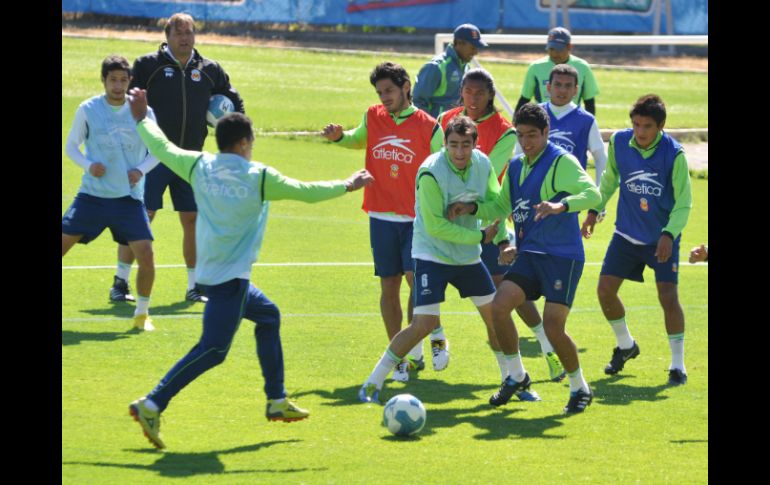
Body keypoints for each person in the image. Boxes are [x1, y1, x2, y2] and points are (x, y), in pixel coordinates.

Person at [126, 87, 373, 449]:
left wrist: (142, 117)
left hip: (212, 274)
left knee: (269, 316)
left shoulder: (199, 165)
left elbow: (162, 147)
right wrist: (348, 185)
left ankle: (276, 400)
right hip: (230, 281)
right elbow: (304, 190)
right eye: (251, 141)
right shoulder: (258, 176)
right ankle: (152, 402)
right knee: (213, 350)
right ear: (243, 143)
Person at [359, 116, 541, 404]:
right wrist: (480, 236)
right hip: (431, 254)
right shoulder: (430, 172)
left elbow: (496, 205)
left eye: (465, 145)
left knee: (496, 317)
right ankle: (373, 383)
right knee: (424, 323)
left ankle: (517, 378)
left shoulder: (482, 164)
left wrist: (502, 239)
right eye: (453, 145)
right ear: (444, 144)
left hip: (467, 258)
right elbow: (434, 226)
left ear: (474, 144)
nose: (459, 152)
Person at [450, 103, 601, 414]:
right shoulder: (517, 167)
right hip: (530, 253)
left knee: (553, 327)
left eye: (533, 135)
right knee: (499, 307)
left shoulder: (562, 162)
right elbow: (502, 205)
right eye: (521, 135)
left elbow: (593, 195)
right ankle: (517, 376)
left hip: (562, 256)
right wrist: (475, 210)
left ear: (546, 133)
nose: (527, 141)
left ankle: (579, 387)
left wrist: (561, 206)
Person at [431, 68, 566, 383]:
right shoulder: (445, 119)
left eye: (480, 93)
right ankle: (433, 346)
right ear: (461, 90)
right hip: (449, 221)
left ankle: (547, 348)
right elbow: (438, 162)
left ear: (490, 94)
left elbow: (482, 173)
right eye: (468, 91)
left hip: (488, 221)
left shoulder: (505, 131)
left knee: (508, 293)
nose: (474, 98)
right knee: (420, 283)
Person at [111, 12, 245, 305]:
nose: (185, 38)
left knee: (193, 220)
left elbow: (233, 100)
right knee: (141, 217)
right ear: (167, 36)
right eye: (179, 33)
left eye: (189, 33)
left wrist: (235, 125)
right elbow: (128, 102)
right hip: (153, 156)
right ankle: (120, 281)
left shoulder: (210, 69)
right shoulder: (148, 66)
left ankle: (195, 286)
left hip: (191, 158)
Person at [321, 62, 437, 382]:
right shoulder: (373, 115)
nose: (384, 97)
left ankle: (416, 347)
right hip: (381, 214)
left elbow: (443, 166)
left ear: (406, 87)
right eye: (379, 92)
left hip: (416, 218)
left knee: (416, 282)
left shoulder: (429, 125)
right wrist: (338, 137)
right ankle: (397, 355)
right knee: (389, 285)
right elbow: (358, 139)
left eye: (389, 90)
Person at [581, 94, 692, 386]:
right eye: (636, 124)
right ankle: (626, 345)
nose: (640, 132)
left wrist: (669, 234)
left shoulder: (674, 154)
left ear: (661, 127)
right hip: (626, 235)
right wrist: (595, 209)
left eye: (647, 126)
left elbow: (684, 203)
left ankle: (677, 365)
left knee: (668, 298)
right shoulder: (619, 142)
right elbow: (609, 180)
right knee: (605, 291)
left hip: (661, 240)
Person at [62, 55, 160, 332]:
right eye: (112, 80)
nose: (118, 85)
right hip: (92, 196)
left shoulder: (143, 111)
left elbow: (157, 152)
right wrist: (88, 164)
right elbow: (71, 147)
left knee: (147, 255)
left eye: (123, 80)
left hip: (128, 199)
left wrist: (139, 170)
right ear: (103, 80)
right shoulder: (88, 109)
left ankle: (142, 314)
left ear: (130, 81)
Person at [514, 27, 599, 116]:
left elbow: (589, 102)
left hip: (572, 120)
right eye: (551, 49)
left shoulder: (583, 67)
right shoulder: (535, 67)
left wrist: (588, 125)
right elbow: (524, 99)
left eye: (559, 49)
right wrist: (516, 124)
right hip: (543, 121)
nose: (554, 53)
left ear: (569, 47)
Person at [413, 23, 488, 118]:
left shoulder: (466, 68)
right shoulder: (436, 67)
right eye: (473, 47)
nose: (476, 52)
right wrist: (431, 127)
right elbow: (418, 101)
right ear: (459, 43)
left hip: (456, 129)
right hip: (437, 129)